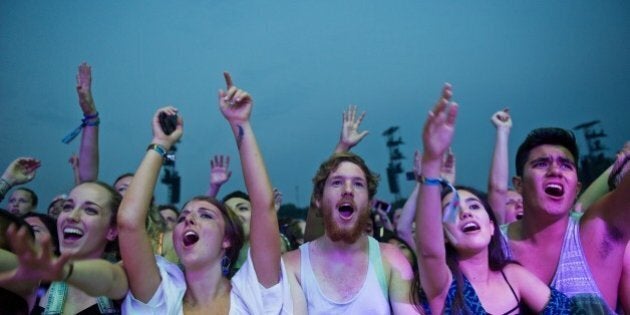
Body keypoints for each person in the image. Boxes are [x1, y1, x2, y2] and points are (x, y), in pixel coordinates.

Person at [118, 72, 290, 313]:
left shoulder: (252, 293)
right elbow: (128, 222)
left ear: (227, 238)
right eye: (182, 217)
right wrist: (160, 143)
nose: (189, 218)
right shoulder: (161, 296)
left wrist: (240, 124)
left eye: (206, 215)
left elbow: (263, 206)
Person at [415, 83, 572, 314]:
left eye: (474, 205)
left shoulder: (513, 276)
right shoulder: (443, 286)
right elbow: (429, 251)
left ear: (491, 226)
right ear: (443, 236)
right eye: (452, 209)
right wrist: (431, 161)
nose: (465, 212)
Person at [504, 126, 629, 313]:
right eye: (541, 163)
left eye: (566, 165)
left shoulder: (596, 230)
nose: (555, 171)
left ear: (577, 189)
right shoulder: (491, 245)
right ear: (519, 184)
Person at [283, 150, 418, 313]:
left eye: (358, 184)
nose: (348, 190)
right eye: (337, 182)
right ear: (318, 199)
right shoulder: (291, 265)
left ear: (369, 203)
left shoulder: (391, 259)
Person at [0, 181, 128, 314]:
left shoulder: (122, 276)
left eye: (90, 210)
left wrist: (64, 271)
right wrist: (6, 181)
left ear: (112, 231)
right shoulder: (36, 280)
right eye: (67, 207)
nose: (72, 216)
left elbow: (110, 277)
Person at [487, 109, 523, 224]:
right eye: (509, 202)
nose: (519, 205)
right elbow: (498, 189)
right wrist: (503, 130)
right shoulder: (500, 237)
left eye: (523, 201)